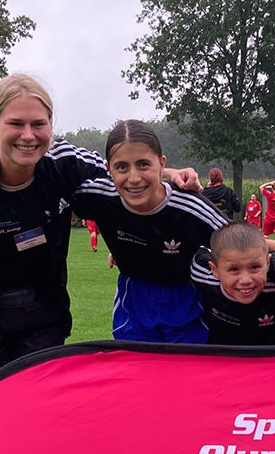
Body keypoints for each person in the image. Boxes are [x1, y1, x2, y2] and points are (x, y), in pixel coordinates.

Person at [0, 76, 201, 393]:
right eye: (16, 123)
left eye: (38, 123)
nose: (28, 135)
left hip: (40, 311)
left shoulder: (64, 162)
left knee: (39, 401)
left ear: (51, 124)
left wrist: (168, 174)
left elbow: (119, 168)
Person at [70, 120, 228, 343]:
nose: (133, 178)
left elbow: (244, 243)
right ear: (109, 169)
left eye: (144, 164)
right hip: (133, 301)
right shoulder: (98, 195)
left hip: (186, 300)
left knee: (186, 372)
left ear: (162, 164)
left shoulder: (190, 206)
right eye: (122, 167)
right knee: (134, 371)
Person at [189, 222, 275, 345]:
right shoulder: (203, 275)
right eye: (234, 269)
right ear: (214, 270)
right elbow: (200, 247)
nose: (246, 280)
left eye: (254, 267)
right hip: (225, 358)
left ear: (268, 263)